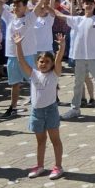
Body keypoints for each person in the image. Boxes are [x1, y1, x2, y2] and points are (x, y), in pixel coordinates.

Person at [13, 32, 66, 180]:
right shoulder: (33, 74)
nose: (44, 64)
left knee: (55, 140)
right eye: (41, 61)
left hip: (50, 111)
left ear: (52, 64)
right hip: (36, 112)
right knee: (40, 141)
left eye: (47, 62)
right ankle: (40, 166)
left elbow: (59, 59)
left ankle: (58, 166)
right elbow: (21, 60)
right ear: (37, 63)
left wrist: (62, 46)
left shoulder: (54, 74)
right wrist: (18, 45)